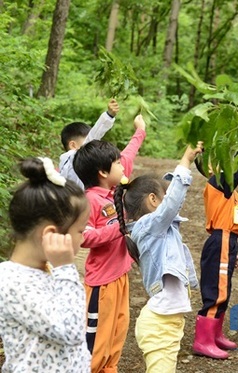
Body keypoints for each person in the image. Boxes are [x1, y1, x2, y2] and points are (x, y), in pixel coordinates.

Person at [113, 142, 203, 372]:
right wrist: (185, 162)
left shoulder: (153, 228)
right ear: (153, 200)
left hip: (167, 323)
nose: (168, 203)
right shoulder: (148, 226)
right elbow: (172, 203)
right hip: (159, 325)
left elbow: (171, 204)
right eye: (163, 197)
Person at [0, 157, 91, 372]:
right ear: (51, 234)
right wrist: (66, 269)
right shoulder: (13, 282)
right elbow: (71, 332)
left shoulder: (47, 269)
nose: (84, 238)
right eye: (80, 230)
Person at [73, 114, 147, 373]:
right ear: (103, 172)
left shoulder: (115, 189)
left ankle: (109, 368)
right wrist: (119, 228)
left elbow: (128, 154)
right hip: (101, 283)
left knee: (119, 329)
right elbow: (85, 237)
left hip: (120, 277)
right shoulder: (90, 201)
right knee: (97, 336)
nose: (123, 167)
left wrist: (140, 130)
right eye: (117, 164)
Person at [193, 129, 238, 359]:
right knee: (215, 291)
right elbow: (237, 173)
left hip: (227, 241)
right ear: (208, 167)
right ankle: (202, 341)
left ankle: (214, 334)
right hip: (221, 239)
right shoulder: (217, 183)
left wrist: (233, 248)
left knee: (224, 288)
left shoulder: (227, 189)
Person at [59, 99, 120, 190]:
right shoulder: (72, 158)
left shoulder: (65, 165)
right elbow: (93, 137)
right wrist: (109, 115)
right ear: (73, 145)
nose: (92, 147)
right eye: (87, 143)